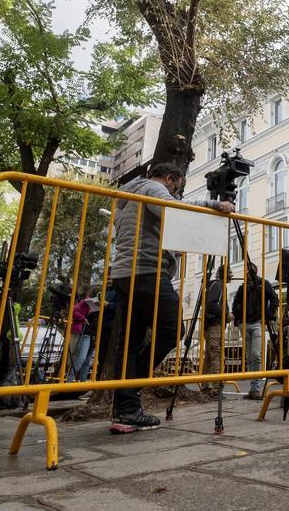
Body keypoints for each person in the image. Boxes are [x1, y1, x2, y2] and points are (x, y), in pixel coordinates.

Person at [106, 162, 234, 431]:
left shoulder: (128, 196)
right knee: (174, 328)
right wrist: (213, 204)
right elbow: (176, 210)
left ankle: (125, 410)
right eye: (177, 187)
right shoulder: (153, 187)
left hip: (125, 273)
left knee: (130, 342)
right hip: (146, 272)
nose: (176, 193)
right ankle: (133, 390)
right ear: (169, 179)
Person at [231, 260, 278, 399]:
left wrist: (267, 316)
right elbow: (235, 305)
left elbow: (274, 300)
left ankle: (256, 388)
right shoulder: (243, 287)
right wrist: (239, 320)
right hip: (244, 324)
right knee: (250, 357)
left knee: (256, 355)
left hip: (257, 322)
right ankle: (253, 389)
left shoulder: (263, 284)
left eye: (249, 271)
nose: (247, 273)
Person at [200, 265, 230, 399]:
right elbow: (211, 305)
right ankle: (216, 389)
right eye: (229, 273)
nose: (231, 275)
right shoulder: (219, 286)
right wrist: (227, 314)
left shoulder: (213, 285)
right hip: (215, 325)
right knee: (217, 355)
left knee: (209, 356)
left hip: (211, 325)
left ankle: (206, 386)